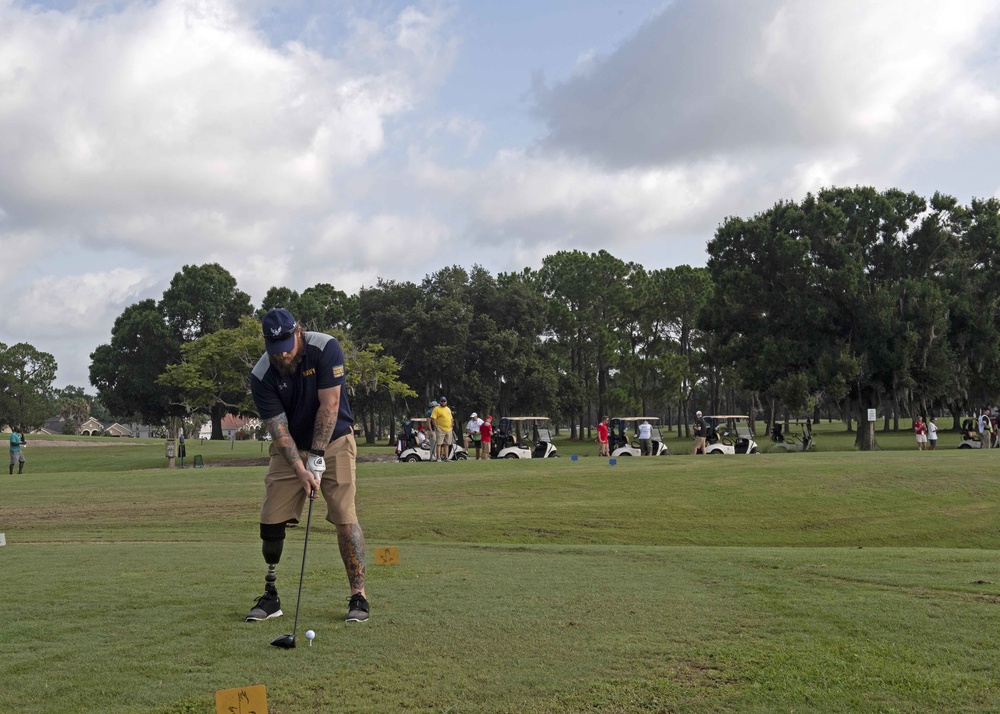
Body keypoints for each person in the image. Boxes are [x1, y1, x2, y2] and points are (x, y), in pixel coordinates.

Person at [245, 308, 369, 625]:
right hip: (290, 449)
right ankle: (271, 597)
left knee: (344, 516)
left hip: (336, 440)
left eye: (287, 344)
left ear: (298, 332)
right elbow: (278, 428)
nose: (283, 353)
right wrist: (301, 469)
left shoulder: (326, 348)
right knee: (270, 521)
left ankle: (359, 596)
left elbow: (330, 406)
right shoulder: (261, 375)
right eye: (275, 348)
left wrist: (315, 457)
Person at [432, 397, 454, 462]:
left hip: (448, 429)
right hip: (440, 429)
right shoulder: (436, 409)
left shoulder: (448, 409)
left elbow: (451, 418)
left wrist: (451, 425)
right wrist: (436, 427)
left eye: (444, 401)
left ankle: (446, 457)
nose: (443, 402)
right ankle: (438, 457)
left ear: (446, 402)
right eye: (442, 401)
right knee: (439, 444)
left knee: (446, 444)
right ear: (440, 402)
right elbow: (433, 418)